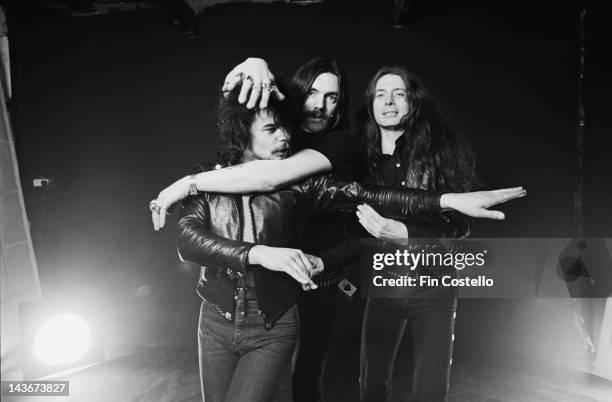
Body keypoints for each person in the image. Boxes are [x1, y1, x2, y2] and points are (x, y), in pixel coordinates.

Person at [171, 86, 492, 402]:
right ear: (243, 134)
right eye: (271, 129)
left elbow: (371, 195)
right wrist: (259, 253)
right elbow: (188, 241)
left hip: (273, 322)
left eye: (285, 127)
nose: (284, 136)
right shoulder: (207, 179)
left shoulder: (302, 185)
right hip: (214, 321)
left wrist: (445, 200)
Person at [355, 66, 478, 402]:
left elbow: (460, 225)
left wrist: (405, 233)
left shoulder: (439, 154)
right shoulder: (360, 159)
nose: (389, 102)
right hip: (383, 286)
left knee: (430, 390)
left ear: (413, 102)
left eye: (399, 94)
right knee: (371, 386)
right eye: (381, 94)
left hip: (435, 288)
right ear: (371, 104)